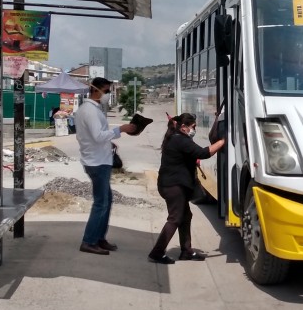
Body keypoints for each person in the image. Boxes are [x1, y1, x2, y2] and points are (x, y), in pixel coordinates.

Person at [148, 113, 225, 264]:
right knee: (175, 218)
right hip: (174, 187)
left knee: (186, 216)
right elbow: (203, 153)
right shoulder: (180, 140)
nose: (194, 129)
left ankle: (186, 251)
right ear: (183, 127)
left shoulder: (175, 137)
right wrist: (222, 141)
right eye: (193, 127)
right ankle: (157, 252)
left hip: (171, 185)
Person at [73, 77, 137, 255]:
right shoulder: (90, 111)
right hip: (97, 162)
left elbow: (97, 137)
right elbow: (98, 136)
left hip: (99, 158)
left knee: (106, 201)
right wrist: (121, 129)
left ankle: (99, 238)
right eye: (107, 91)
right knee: (101, 203)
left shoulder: (93, 109)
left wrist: (110, 142)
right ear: (95, 90)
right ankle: (89, 241)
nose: (108, 95)